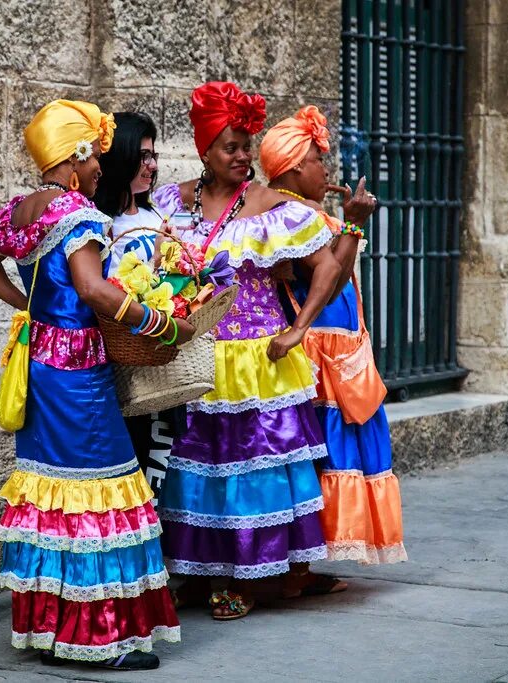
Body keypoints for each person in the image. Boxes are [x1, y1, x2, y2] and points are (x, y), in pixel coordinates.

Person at [0, 99, 194, 670]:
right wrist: (158, 321)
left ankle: (51, 629)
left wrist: (31, 310)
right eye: (94, 158)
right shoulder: (80, 214)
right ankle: (99, 640)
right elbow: (94, 291)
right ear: (75, 158)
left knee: (54, 496)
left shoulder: (17, 211)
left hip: (39, 365)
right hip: (78, 375)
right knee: (102, 492)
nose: (100, 169)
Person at [152, 82, 342, 620]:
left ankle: (248, 578)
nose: (242, 156)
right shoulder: (172, 202)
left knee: (249, 472)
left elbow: (326, 265)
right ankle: (194, 570)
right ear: (204, 150)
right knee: (196, 467)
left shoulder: (273, 207)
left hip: (258, 361)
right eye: (230, 146)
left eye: (246, 144)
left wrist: (299, 328)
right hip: (194, 357)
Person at [260, 105, 407, 578]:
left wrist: (345, 222)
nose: (327, 169)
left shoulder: (309, 211)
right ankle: (297, 573)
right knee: (322, 452)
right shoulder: (289, 214)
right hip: (319, 353)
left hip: (340, 347)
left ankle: (305, 570)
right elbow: (333, 274)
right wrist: (354, 224)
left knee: (338, 448)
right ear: (297, 167)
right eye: (320, 160)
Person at [93, 111, 186, 488]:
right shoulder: (102, 223)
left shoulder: (153, 213)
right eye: (143, 156)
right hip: (128, 365)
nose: (151, 165)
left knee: (162, 464)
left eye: (153, 156)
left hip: (162, 359)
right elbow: (110, 291)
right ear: (121, 158)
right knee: (139, 464)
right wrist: (156, 259)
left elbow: (172, 278)